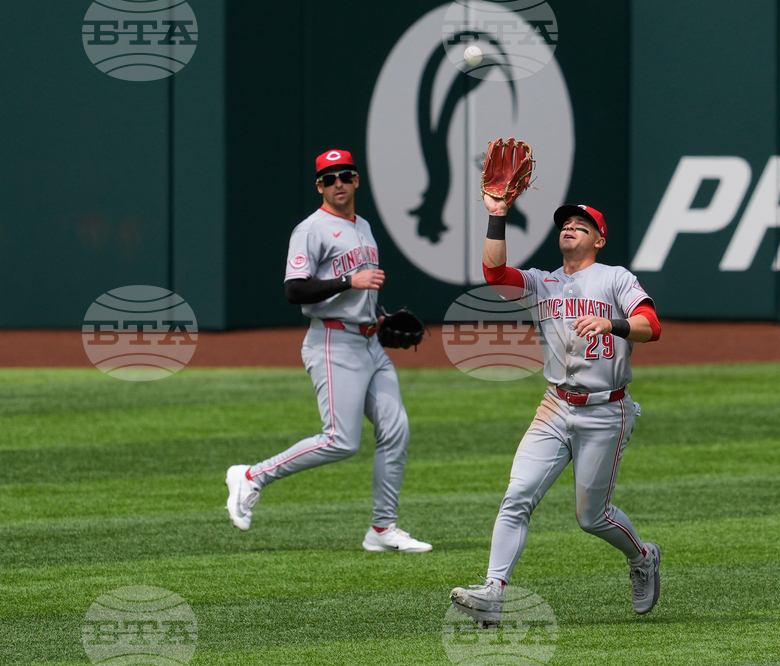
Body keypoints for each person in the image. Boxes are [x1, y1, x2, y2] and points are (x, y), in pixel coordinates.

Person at [450, 194, 663, 624]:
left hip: (606, 411)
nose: (570, 227)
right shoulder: (540, 283)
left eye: (581, 226)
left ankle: (642, 557)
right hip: (554, 406)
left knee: (592, 517)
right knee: (517, 496)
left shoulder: (615, 279)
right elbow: (495, 274)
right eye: (565, 223)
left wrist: (612, 322)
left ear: (599, 239)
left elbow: (651, 327)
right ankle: (494, 592)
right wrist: (497, 214)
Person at [225, 149, 431, 553]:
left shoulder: (364, 226)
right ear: (319, 185)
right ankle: (251, 477)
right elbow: (294, 289)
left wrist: (381, 318)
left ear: (356, 181)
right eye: (330, 177)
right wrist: (347, 282)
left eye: (345, 175)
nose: (339, 183)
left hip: (370, 342)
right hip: (333, 343)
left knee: (396, 431)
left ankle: (382, 529)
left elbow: (360, 289)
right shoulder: (311, 229)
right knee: (340, 440)